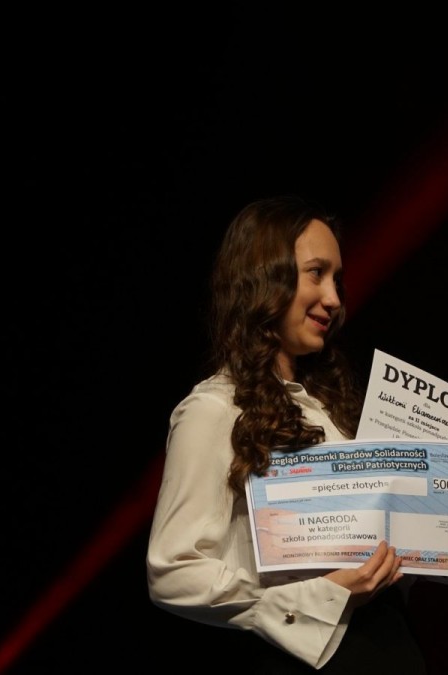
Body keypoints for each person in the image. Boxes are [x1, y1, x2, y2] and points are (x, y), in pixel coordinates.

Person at [146, 195, 426, 673]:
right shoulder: (215, 408)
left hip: (387, 645)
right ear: (264, 277)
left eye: (337, 279)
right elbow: (174, 571)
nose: (334, 299)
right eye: (316, 273)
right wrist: (314, 597)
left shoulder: (330, 410)